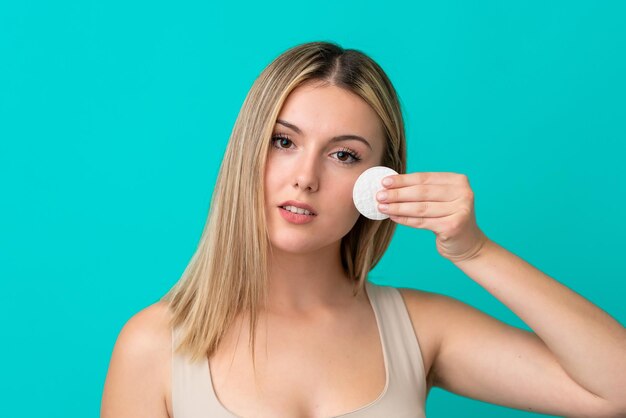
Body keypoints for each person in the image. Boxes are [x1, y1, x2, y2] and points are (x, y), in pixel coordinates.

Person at [100, 41, 626, 418]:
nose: (306, 178)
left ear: (380, 184)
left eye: (344, 155)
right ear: (246, 154)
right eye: (284, 142)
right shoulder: (153, 345)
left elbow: (616, 390)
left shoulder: (420, 330)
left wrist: (475, 251)